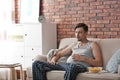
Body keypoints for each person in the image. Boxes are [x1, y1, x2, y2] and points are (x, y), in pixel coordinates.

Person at [32, 23, 103, 80]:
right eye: (76, 32)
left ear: (86, 33)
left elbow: (99, 63)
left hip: (80, 67)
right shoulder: (74, 44)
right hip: (66, 65)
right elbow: (59, 54)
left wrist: (83, 58)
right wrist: (53, 59)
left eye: (80, 33)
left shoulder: (93, 44)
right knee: (36, 63)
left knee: (72, 67)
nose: (77, 35)